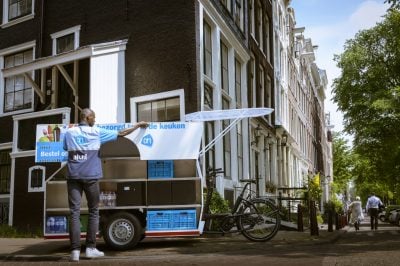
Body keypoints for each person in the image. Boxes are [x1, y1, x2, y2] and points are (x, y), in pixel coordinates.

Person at [63, 108, 148, 262]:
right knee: (94, 211)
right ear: (87, 117)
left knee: (74, 213)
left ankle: (75, 251)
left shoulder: (69, 133)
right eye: (93, 118)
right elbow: (122, 133)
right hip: (91, 177)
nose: (95, 120)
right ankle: (90, 248)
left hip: (73, 176)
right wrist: (137, 125)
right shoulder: (96, 132)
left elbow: (64, 148)